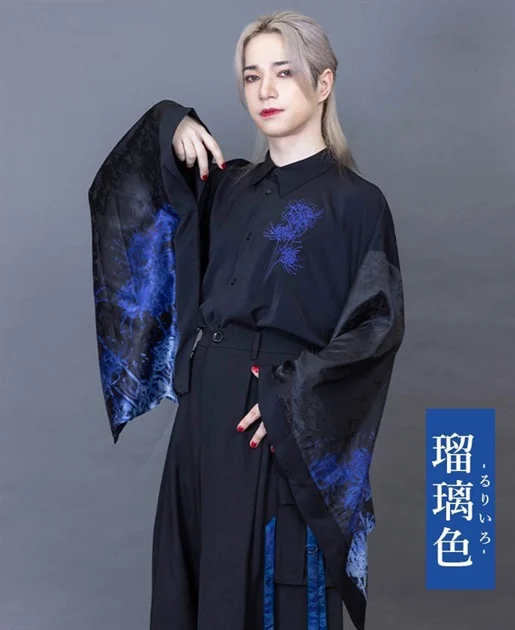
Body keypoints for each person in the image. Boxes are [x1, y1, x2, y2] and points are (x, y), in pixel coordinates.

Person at [88, 10, 405, 630]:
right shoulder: (225, 187)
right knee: (192, 583)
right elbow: (124, 191)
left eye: (284, 73)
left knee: (264, 586)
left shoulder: (358, 204)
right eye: (252, 75)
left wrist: (294, 393)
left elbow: (377, 327)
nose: (265, 90)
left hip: (274, 412)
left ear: (323, 82)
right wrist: (170, 120)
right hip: (203, 412)